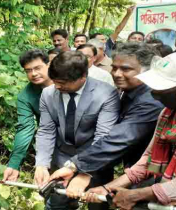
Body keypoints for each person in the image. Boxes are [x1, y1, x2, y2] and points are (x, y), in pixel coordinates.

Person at [83, 52, 176, 210]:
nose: (154, 93)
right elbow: (149, 159)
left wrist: (137, 195)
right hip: (166, 197)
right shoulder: (168, 113)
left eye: (162, 88)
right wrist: (108, 188)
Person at [49, 42, 164, 199]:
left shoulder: (150, 100)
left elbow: (119, 138)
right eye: (115, 67)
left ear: (146, 70)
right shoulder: (127, 92)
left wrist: (77, 167)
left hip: (153, 173)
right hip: (135, 168)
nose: (116, 74)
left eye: (126, 69)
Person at [34, 51, 120, 210]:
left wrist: (86, 173)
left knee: (97, 204)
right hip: (62, 158)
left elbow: (103, 137)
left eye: (63, 82)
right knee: (57, 205)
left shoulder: (106, 94)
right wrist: (41, 164)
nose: (57, 86)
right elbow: (46, 130)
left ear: (83, 77)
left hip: (96, 159)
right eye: (55, 81)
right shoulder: (48, 93)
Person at [2, 49, 53, 182]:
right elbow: (25, 128)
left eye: (37, 68)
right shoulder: (26, 96)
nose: (34, 74)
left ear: (49, 65)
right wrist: (14, 164)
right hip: (50, 144)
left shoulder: (66, 83)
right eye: (28, 70)